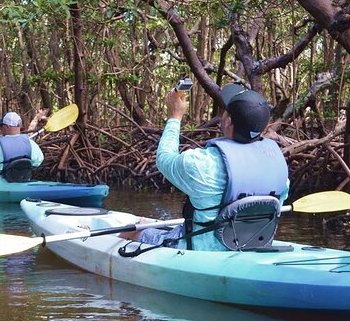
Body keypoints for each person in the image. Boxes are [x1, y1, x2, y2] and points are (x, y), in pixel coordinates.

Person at [124, 82, 289, 251]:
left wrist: (174, 117)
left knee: (130, 232)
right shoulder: (279, 168)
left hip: (199, 251)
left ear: (229, 121)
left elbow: (164, 159)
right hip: (253, 245)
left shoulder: (203, 164)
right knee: (146, 224)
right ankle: (145, 224)